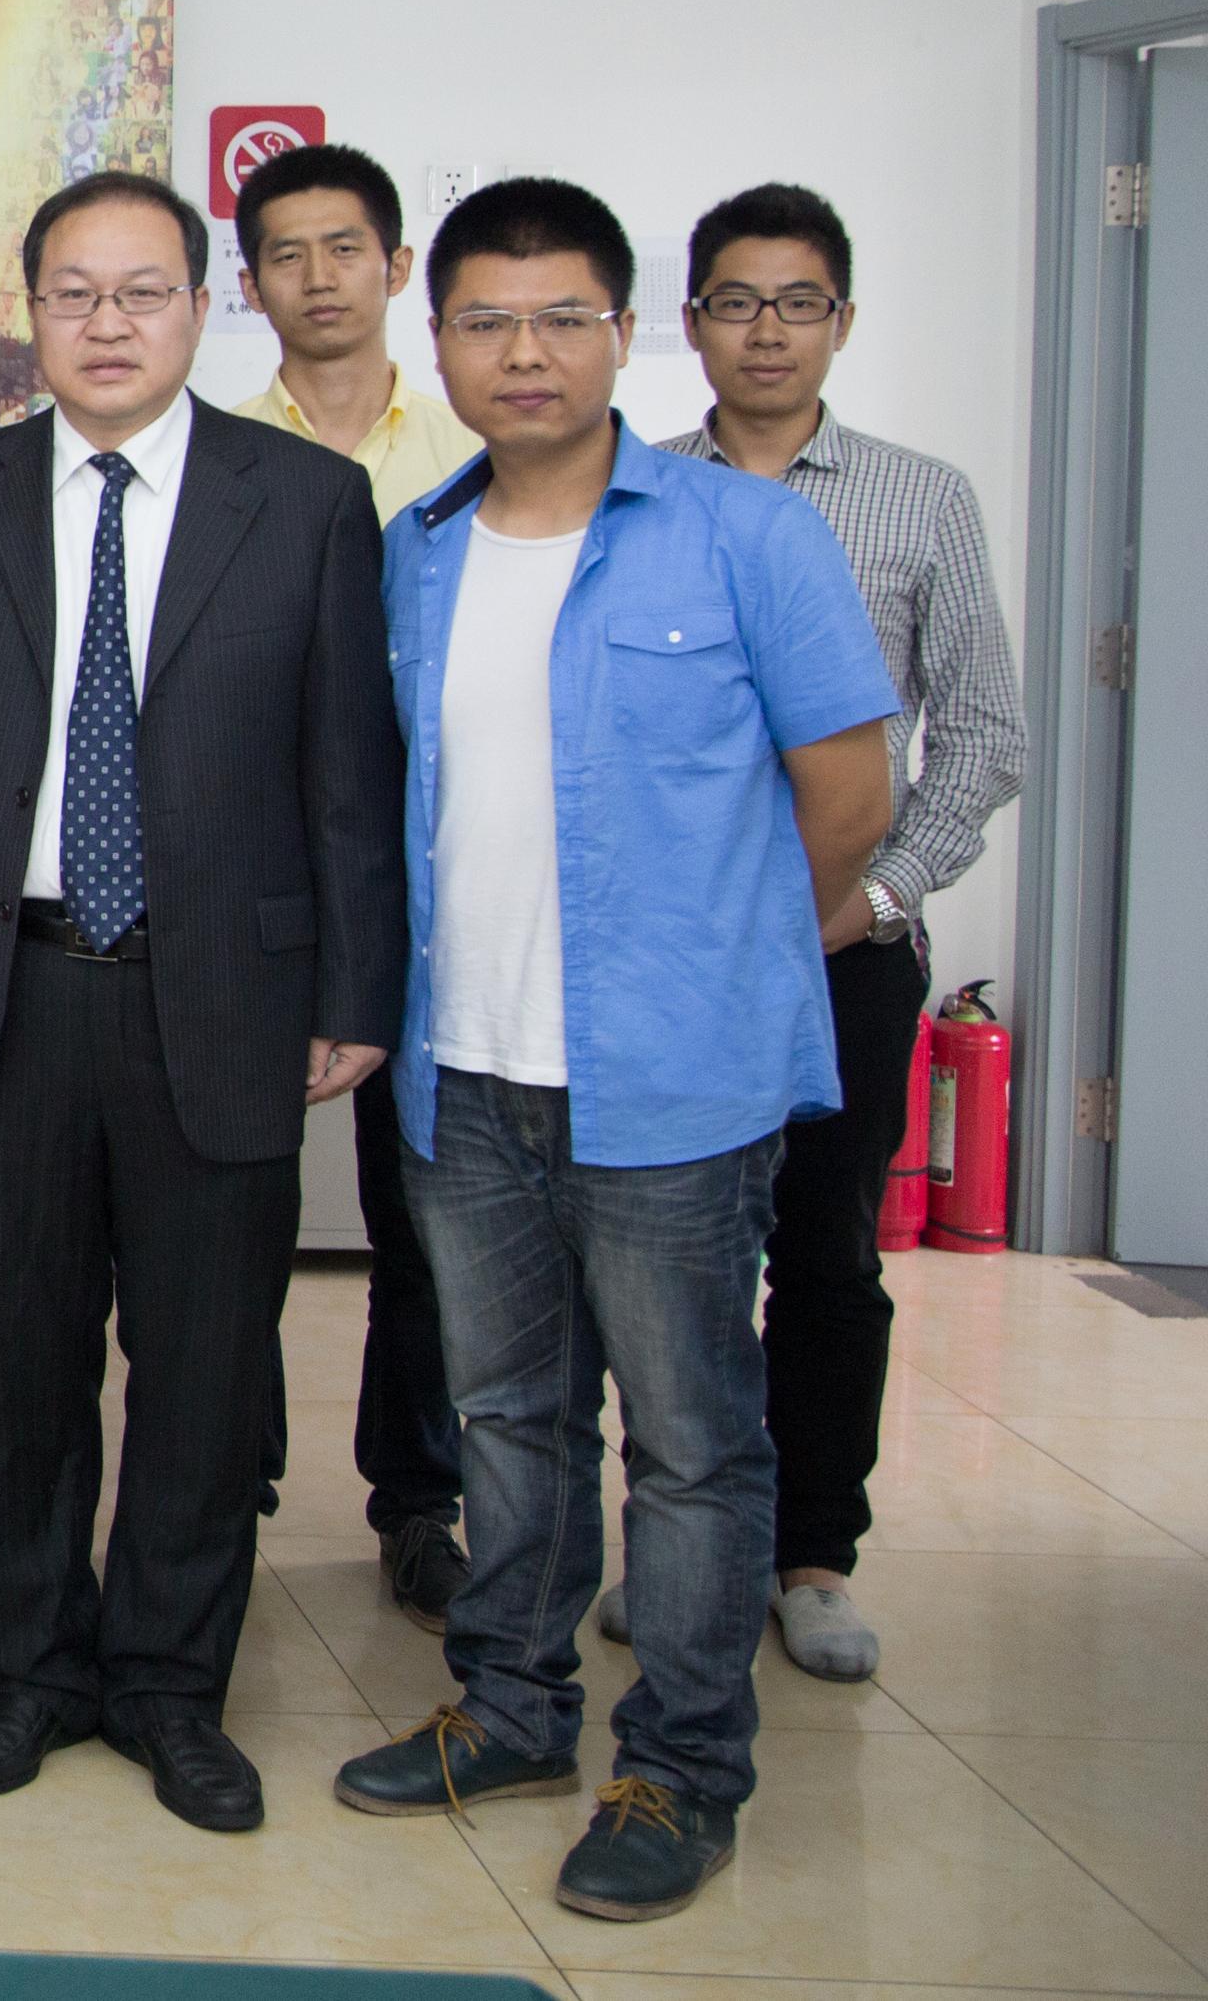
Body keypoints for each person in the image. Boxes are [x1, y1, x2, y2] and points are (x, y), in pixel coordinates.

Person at [331, 177, 896, 1926]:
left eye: (562, 317)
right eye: (488, 320)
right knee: (506, 1417)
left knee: (692, 1440)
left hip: (672, 1082)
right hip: (464, 1066)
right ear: (441, 341)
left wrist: (717, 964)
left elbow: (847, 795)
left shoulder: (747, 537)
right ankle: (511, 1706)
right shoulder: (416, 550)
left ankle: (682, 1765)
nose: (525, 352)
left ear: (622, 332)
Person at [0, 168, 404, 1835]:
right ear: (28, 312)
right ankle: (30, 1664)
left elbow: (348, 772)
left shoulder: (303, 499)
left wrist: (354, 985)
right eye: (74, 293)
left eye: (142, 291)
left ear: (201, 307)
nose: (107, 323)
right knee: (13, 1352)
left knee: (204, 1364)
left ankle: (168, 1679)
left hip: (218, 992)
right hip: (2, 987)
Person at [641, 183, 1018, 1685]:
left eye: (798, 302)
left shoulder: (922, 499)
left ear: (842, 321)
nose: (767, 331)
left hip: (846, 954)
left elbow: (981, 733)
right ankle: (683, 1545)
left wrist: (879, 897)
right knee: (666, 1267)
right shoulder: (640, 488)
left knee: (825, 1257)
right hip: (678, 955)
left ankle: (811, 1553)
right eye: (736, 301)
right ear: (690, 323)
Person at [225, 142, 483, 1634]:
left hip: (436, 890)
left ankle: (418, 1499)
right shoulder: (215, 453)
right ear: (248, 282)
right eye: (285, 252)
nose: (317, 278)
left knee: (422, 1218)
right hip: (258, 884)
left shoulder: (473, 452)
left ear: (395, 267)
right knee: (233, 1217)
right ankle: (232, 1478)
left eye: (345, 249)